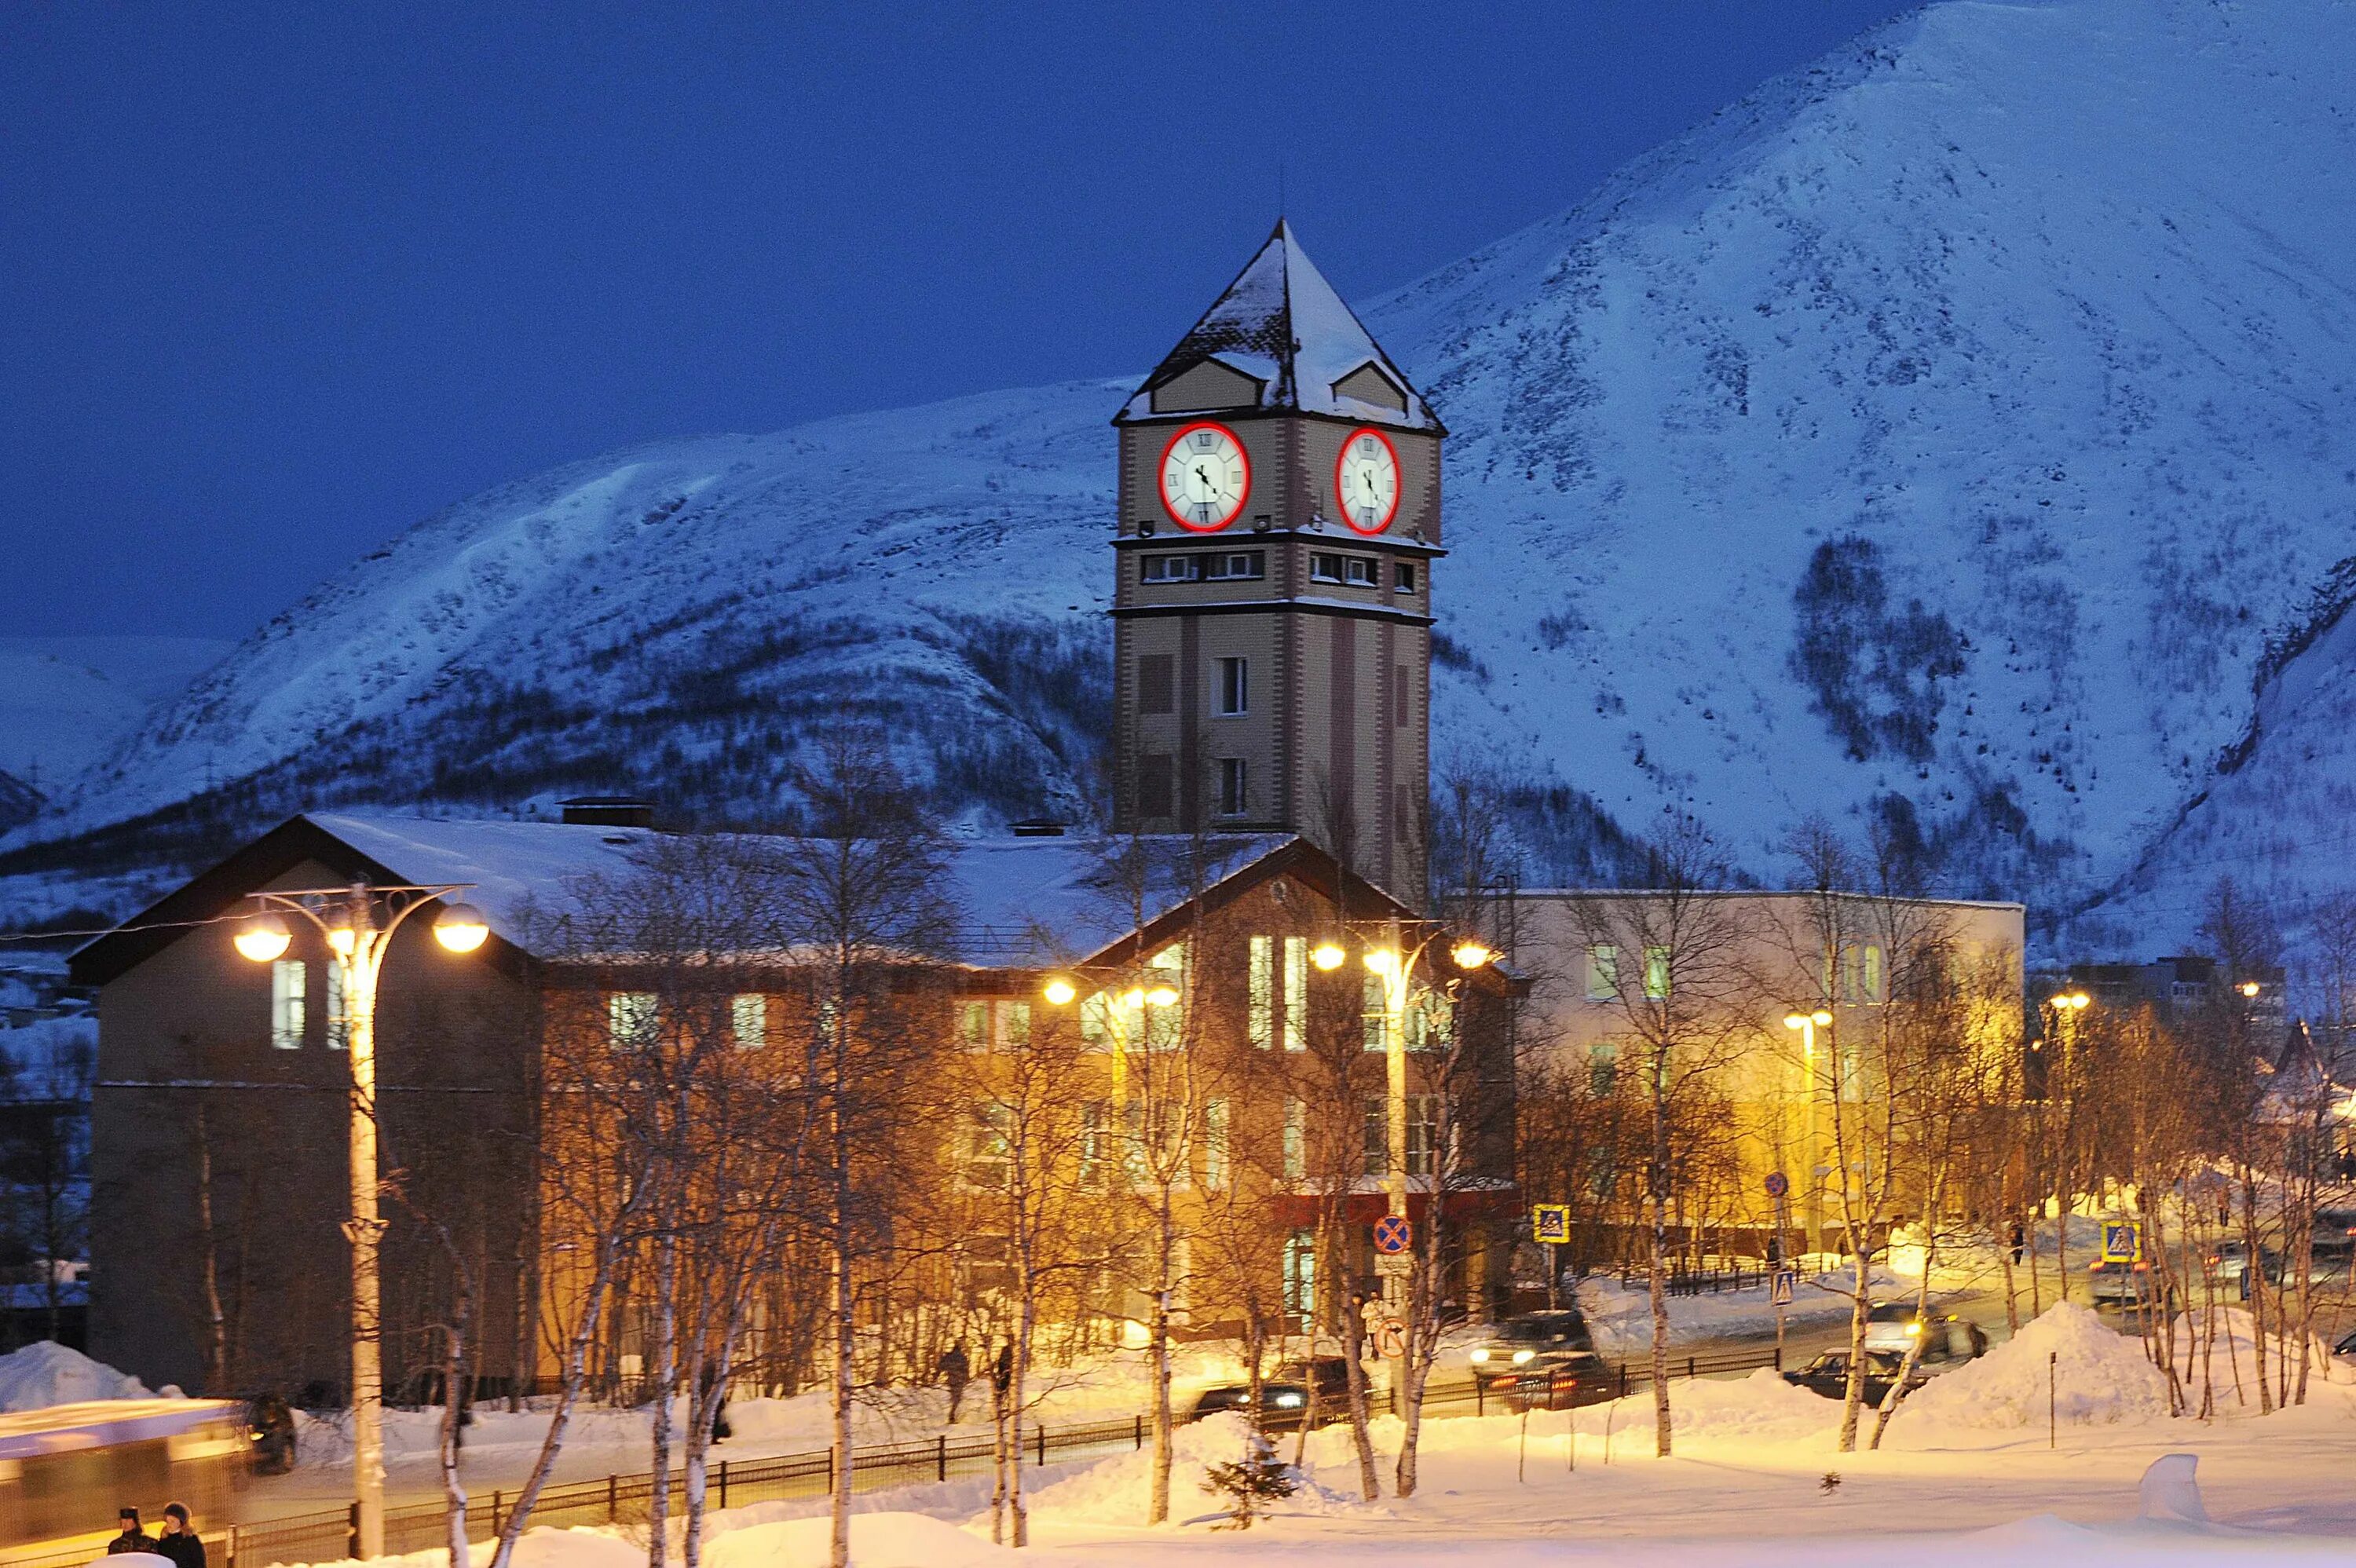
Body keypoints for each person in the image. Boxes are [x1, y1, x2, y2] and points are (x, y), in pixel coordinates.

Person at [153, 1504, 206, 1568]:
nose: (169, 1524)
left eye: (172, 1521)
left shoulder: (191, 1540)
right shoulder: (164, 1540)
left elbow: (199, 1563)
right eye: (167, 1521)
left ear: (181, 1522)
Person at [939, 1341, 971, 1424]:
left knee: (954, 1397)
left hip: (951, 1380)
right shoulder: (962, 1357)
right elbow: (966, 1369)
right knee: (957, 1399)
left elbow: (941, 1366)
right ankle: (952, 1415)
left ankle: (952, 1415)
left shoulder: (949, 1357)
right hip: (959, 1381)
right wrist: (966, 1378)